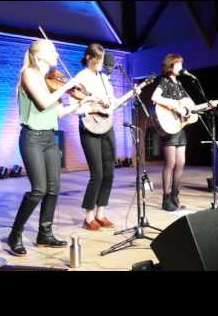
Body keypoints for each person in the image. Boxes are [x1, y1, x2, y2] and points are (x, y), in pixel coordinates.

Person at [7, 39, 93, 257]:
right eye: (53, 51)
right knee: (38, 189)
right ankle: (14, 234)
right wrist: (66, 86)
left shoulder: (49, 80)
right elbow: (43, 103)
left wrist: (81, 104)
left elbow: (58, 112)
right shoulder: (28, 74)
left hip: (49, 138)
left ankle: (44, 233)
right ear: (40, 55)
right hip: (32, 138)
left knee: (54, 188)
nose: (57, 54)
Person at [71, 44, 140, 230]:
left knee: (109, 172)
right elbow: (75, 106)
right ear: (88, 58)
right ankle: (88, 216)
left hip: (106, 126)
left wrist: (130, 95)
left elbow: (112, 104)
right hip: (89, 128)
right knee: (97, 174)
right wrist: (94, 107)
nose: (101, 64)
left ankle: (101, 213)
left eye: (102, 60)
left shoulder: (103, 79)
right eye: (98, 60)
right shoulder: (80, 78)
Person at [151, 54, 191, 212]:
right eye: (178, 64)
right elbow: (155, 97)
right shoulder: (165, 81)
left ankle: (175, 196)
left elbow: (188, 105)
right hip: (169, 126)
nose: (181, 67)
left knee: (181, 162)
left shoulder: (179, 84)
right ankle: (166, 198)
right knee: (171, 163)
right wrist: (174, 106)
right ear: (171, 65)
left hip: (179, 127)